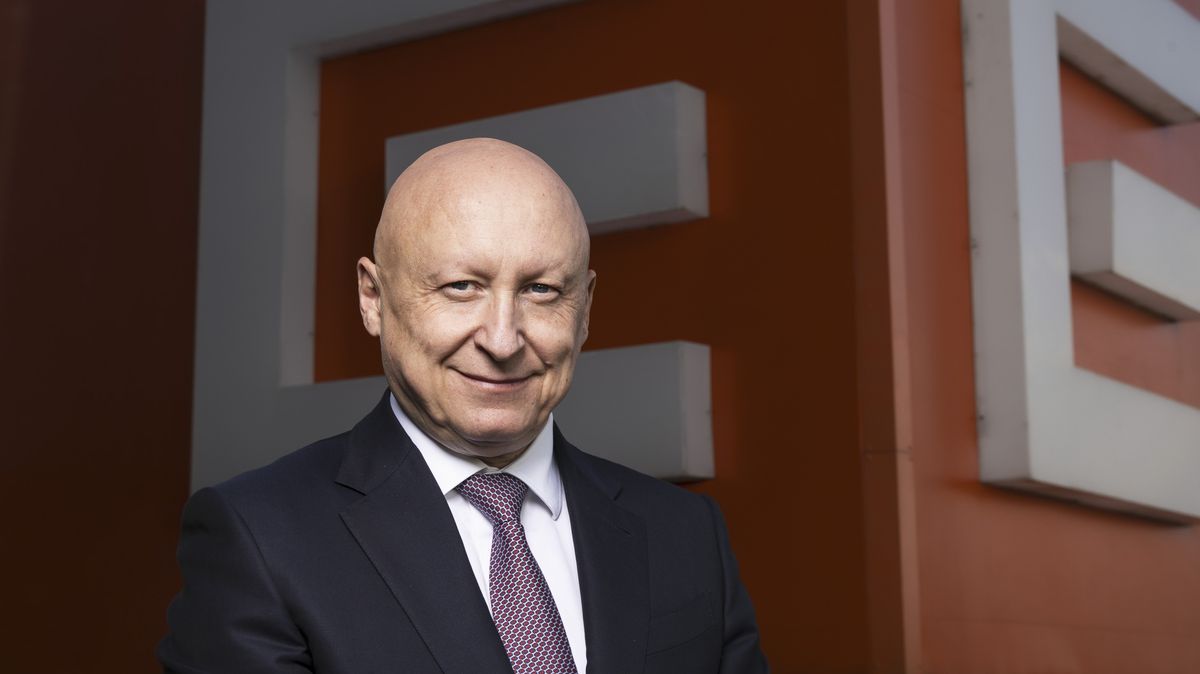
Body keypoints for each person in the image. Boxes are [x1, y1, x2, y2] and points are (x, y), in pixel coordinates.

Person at [158, 138, 767, 673]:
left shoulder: (686, 534)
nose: (502, 340)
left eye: (540, 290)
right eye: (461, 287)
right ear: (373, 298)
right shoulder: (259, 539)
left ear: (584, 308)